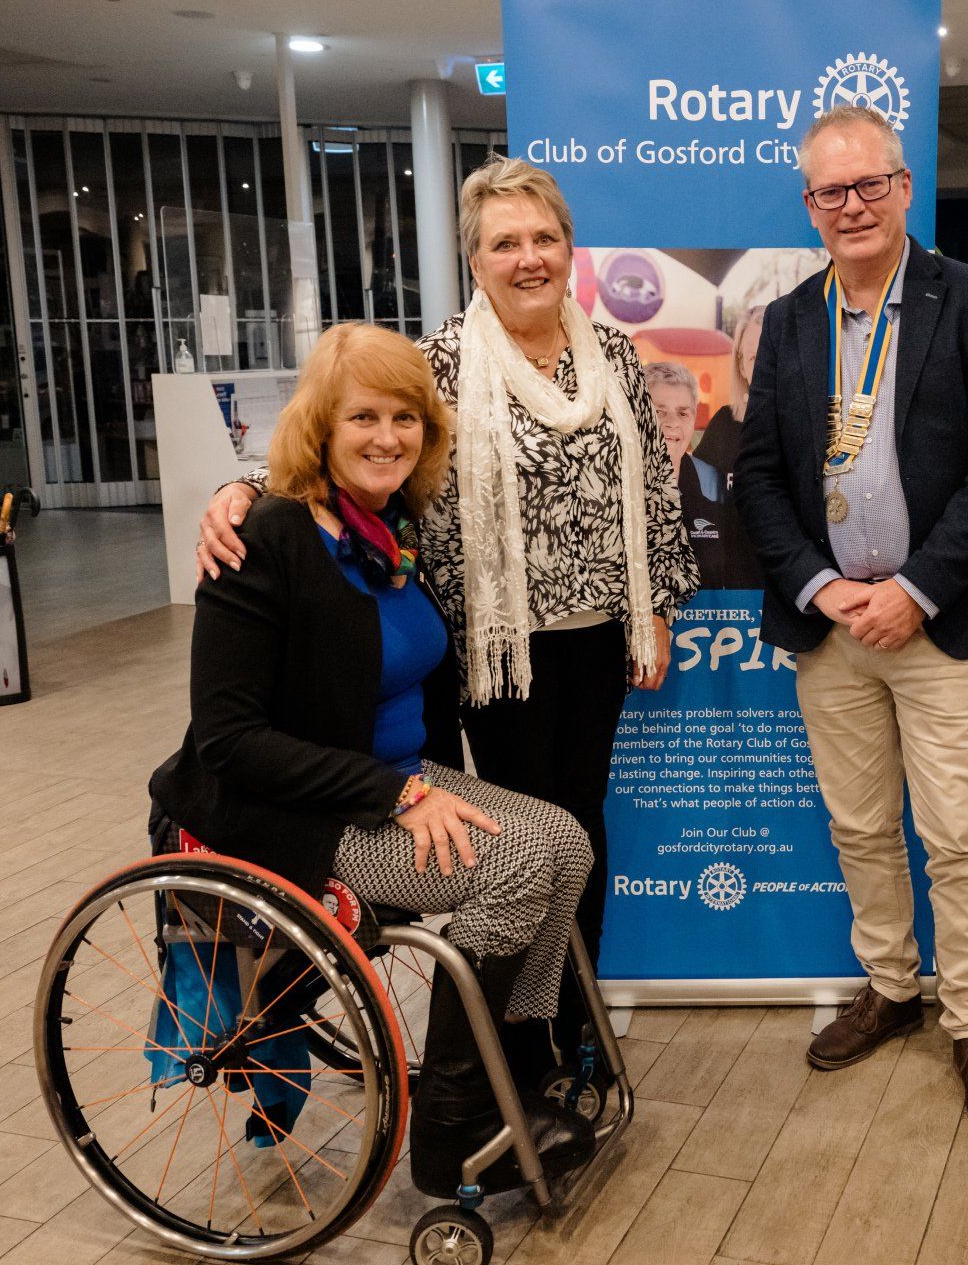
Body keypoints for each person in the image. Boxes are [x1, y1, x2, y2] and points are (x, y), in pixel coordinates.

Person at [195, 156, 700, 987]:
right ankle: (503, 1039)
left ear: (570, 248)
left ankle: (571, 1020)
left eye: (544, 237)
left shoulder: (613, 353)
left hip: (601, 637)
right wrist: (242, 488)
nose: (528, 257)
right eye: (506, 243)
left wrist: (660, 609)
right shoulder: (441, 364)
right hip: (492, 652)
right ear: (477, 261)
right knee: (514, 837)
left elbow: (650, 481)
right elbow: (351, 444)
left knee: (585, 825)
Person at [150, 323, 598, 1198]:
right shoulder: (261, 544)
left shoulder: (386, 529)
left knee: (567, 841)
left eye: (406, 418)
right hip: (287, 809)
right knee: (509, 869)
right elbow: (228, 741)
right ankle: (451, 1125)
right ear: (320, 424)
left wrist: (418, 786)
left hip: (386, 782)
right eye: (363, 417)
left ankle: (518, 1060)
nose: (387, 437)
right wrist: (397, 794)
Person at [732, 105, 968, 1138]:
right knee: (862, 827)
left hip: (938, 623)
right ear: (808, 206)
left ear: (905, 189)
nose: (853, 206)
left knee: (956, 832)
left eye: (871, 186)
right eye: (831, 191)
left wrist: (915, 590)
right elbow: (759, 475)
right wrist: (824, 587)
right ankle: (891, 985)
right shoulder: (786, 321)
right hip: (833, 626)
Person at [643, 359, 760, 590]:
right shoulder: (614, 485)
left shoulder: (715, 484)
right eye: (659, 412)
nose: (672, 423)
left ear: (694, 417)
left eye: (683, 413)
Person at [693, 304, 764, 490]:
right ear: (741, 367)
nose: (764, 367)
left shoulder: (808, 427)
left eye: (773, 354)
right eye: (754, 358)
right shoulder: (724, 424)